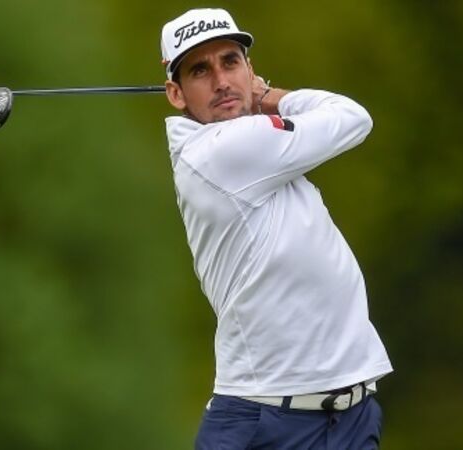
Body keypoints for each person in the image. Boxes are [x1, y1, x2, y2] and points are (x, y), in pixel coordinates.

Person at [160, 8, 393, 449]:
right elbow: (352, 117)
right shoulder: (218, 152)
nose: (221, 81)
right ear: (176, 93)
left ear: (248, 68)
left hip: (349, 416)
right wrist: (268, 95)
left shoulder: (256, 150)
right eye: (200, 71)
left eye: (230, 62)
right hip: (265, 424)